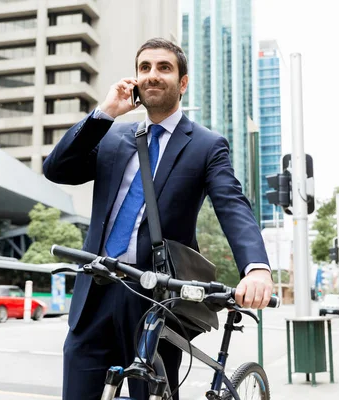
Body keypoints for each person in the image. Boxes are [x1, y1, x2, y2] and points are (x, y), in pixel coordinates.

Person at [43, 38, 273, 400]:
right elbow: (57, 169)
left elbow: (232, 205)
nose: (153, 75)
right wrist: (105, 112)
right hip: (96, 291)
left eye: (164, 68)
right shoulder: (113, 135)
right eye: (145, 68)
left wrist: (257, 267)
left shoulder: (206, 145)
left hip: (156, 298)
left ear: (182, 83)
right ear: (136, 80)